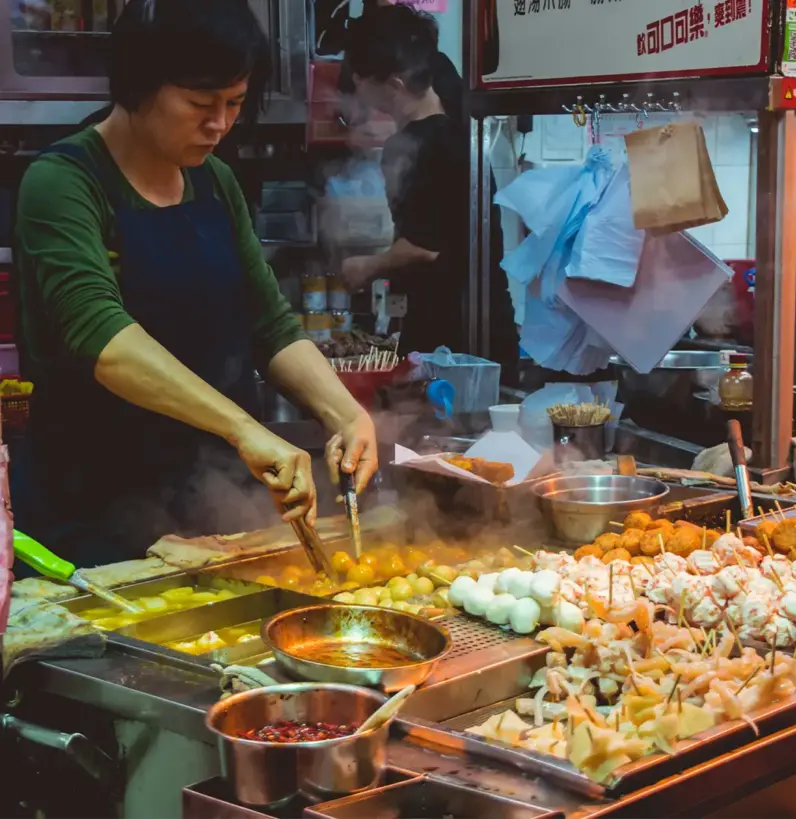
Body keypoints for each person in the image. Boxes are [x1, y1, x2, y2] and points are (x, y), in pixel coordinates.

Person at [11, 0, 377, 569]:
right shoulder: (63, 183)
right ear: (138, 86)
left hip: (217, 500)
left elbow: (270, 323)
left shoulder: (214, 182)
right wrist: (243, 428)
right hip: (97, 510)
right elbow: (104, 340)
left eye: (234, 104)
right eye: (201, 104)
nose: (221, 124)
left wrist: (347, 414)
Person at [337, 5, 519, 383]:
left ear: (395, 85)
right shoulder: (451, 104)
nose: (356, 88)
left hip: (448, 341)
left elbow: (424, 247)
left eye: (360, 79)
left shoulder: (417, 145)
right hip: (490, 326)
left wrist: (364, 266)